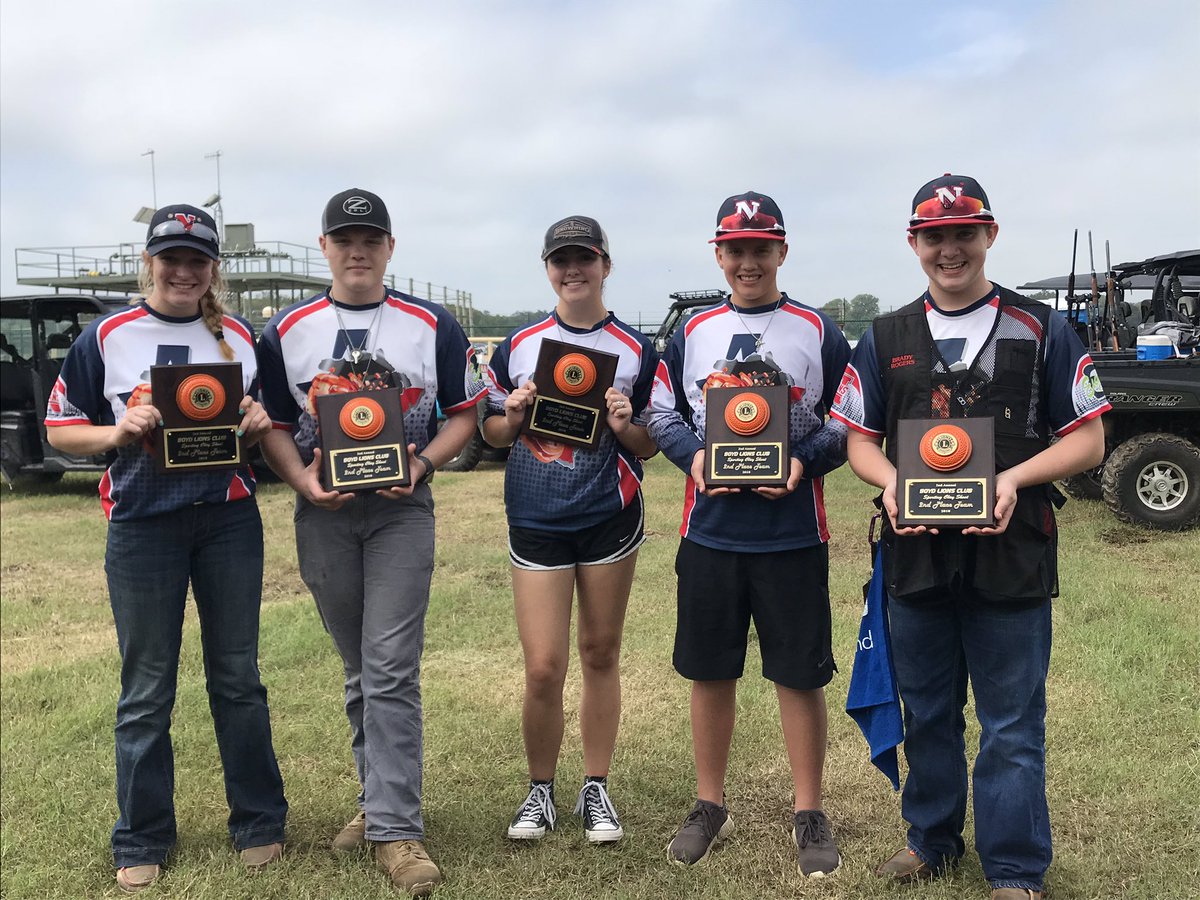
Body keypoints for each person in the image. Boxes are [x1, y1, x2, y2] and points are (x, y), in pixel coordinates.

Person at [829, 173, 1109, 900]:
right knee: (926, 711)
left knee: (1012, 720)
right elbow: (858, 438)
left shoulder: (1042, 327)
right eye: (934, 236)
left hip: (1011, 555)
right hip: (916, 555)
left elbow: (1090, 440)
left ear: (989, 234)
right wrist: (889, 481)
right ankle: (932, 839)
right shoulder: (885, 335)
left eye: (963, 232)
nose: (949, 249)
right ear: (914, 242)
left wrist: (1016, 479)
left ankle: (1014, 869)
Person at [44, 204, 287, 893]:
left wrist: (260, 421)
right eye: (170, 257)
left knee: (237, 678)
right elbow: (61, 429)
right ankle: (143, 834)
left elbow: (258, 424)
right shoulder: (107, 335)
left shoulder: (238, 334)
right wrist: (117, 432)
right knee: (147, 689)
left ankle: (260, 820)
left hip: (227, 521)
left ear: (214, 268)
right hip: (143, 525)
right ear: (147, 261)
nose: (183, 270)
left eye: (197, 259)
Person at [257, 188, 482, 897]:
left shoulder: (429, 323)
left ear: (390, 247)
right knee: (360, 669)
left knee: (389, 666)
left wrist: (417, 464)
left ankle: (398, 832)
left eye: (371, 239)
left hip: (399, 513)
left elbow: (466, 414)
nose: (358, 251)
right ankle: (377, 800)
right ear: (324, 247)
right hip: (323, 514)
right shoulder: (285, 328)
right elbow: (265, 423)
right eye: (344, 239)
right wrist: (300, 479)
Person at [646, 192, 850, 876]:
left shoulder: (818, 329)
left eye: (761, 248)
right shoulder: (692, 330)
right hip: (711, 532)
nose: (748, 260)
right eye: (735, 248)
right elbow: (660, 412)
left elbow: (846, 422)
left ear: (782, 251)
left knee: (799, 675)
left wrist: (801, 461)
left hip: (792, 533)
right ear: (718, 254)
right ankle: (709, 803)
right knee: (710, 672)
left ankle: (809, 809)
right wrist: (694, 457)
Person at [482, 216, 657, 844]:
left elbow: (648, 445)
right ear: (548, 267)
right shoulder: (521, 343)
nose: (573, 270)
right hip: (535, 515)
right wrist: (512, 414)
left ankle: (596, 789)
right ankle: (539, 792)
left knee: (600, 652)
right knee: (543, 667)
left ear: (605, 265)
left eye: (585, 258)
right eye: (561, 260)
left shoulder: (637, 346)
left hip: (608, 513)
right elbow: (493, 434)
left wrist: (623, 423)